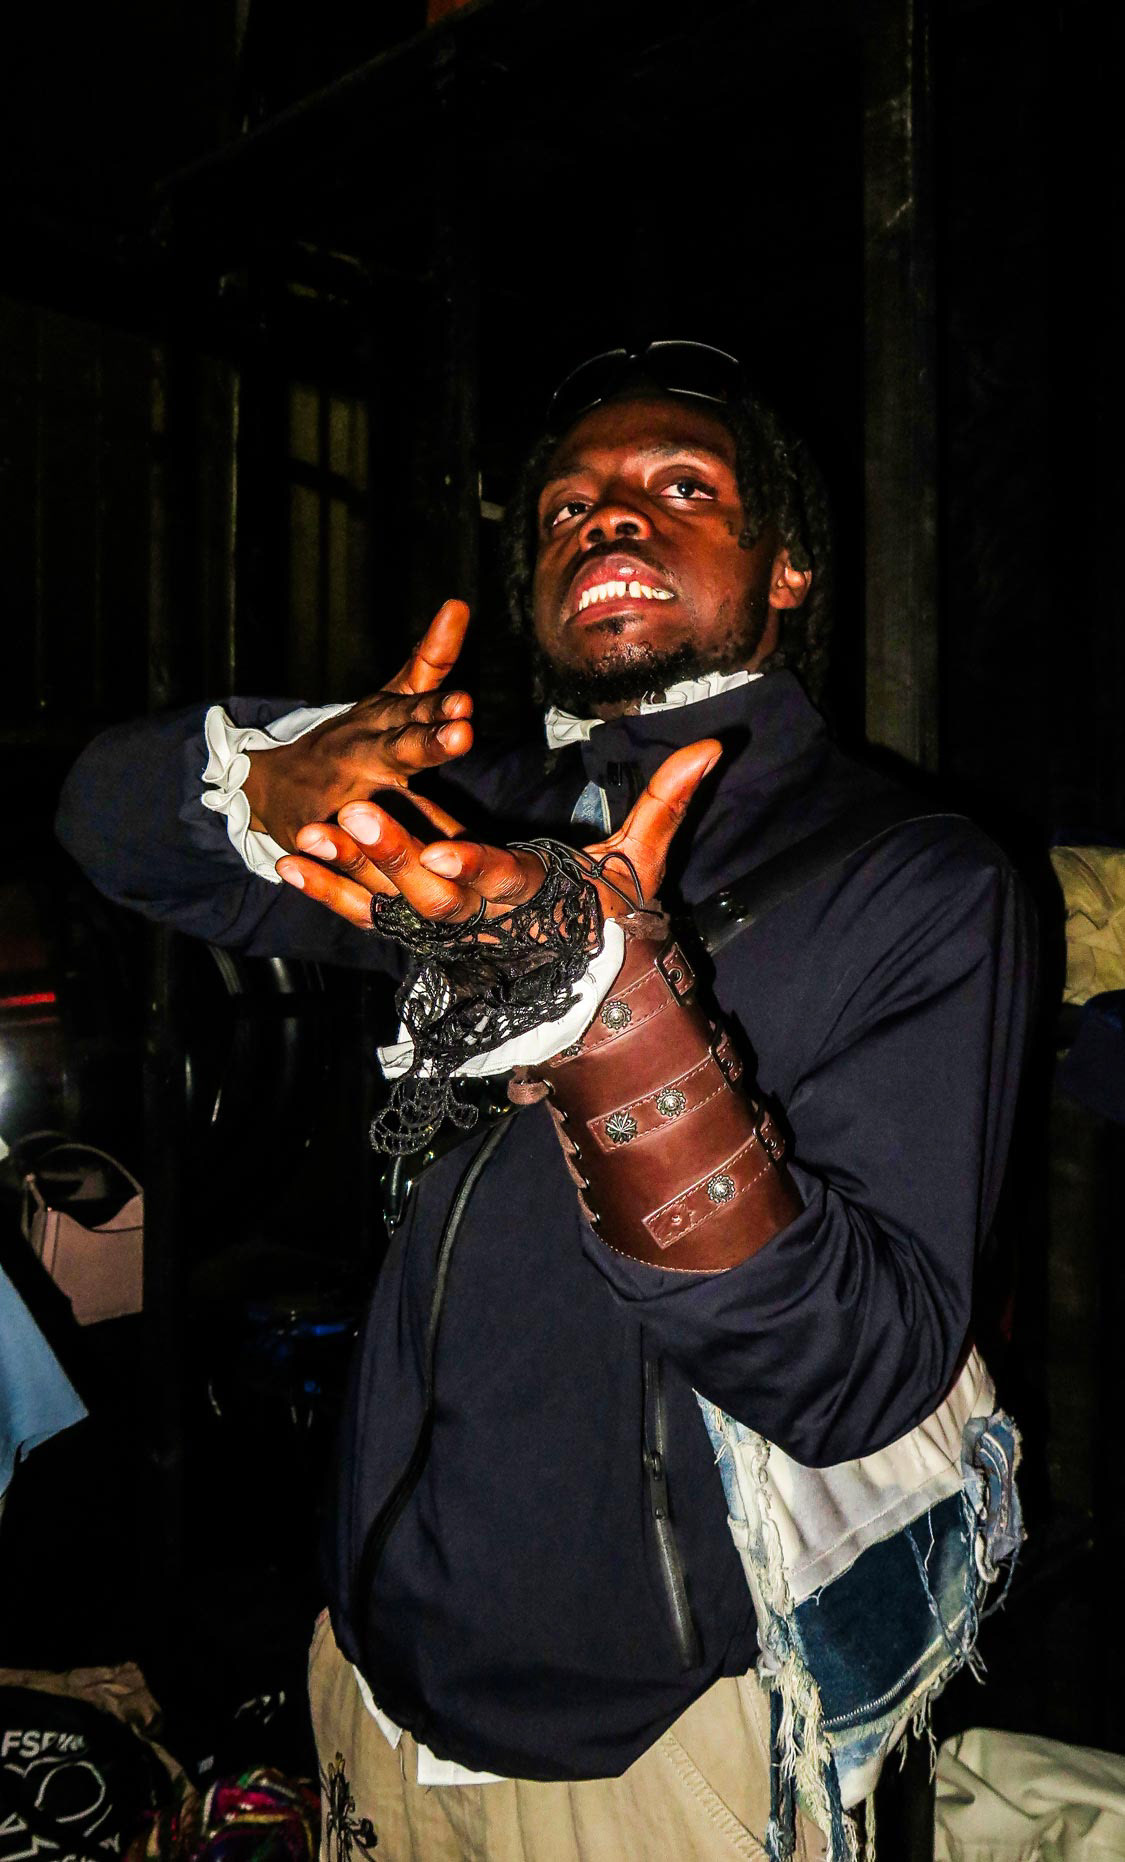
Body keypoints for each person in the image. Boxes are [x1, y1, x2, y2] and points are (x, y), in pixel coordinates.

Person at [56, 343, 1035, 1861]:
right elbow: (109, 829)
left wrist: (611, 1015)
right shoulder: (480, 814)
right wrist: (256, 780)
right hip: (375, 1666)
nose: (610, 518)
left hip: (654, 1731)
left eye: (679, 488)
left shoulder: (911, 874)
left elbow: (859, 1370)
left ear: (785, 567)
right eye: (569, 506)